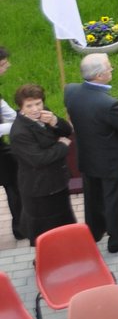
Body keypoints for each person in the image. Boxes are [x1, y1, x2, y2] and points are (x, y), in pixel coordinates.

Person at [64, 54, 118, 251]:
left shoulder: (71, 91)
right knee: (113, 200)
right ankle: (117, 239)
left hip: (87, 157)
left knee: (93, 197)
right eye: (109, 68)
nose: (111, 69)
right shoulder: (109, 105)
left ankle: (94, 231)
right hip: (110, 161)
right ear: (99, 75)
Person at [10, 83, 76, 242]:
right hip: (40, 188)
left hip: (57, 182)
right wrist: (62, 145)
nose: (35, 109)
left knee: (63, 222)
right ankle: (44, 259)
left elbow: (66, 131)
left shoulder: (44, 114)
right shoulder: (20, 132)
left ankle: (64, 251)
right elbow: (38, 159)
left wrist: (55, 120)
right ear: (21, 107)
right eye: (29, 105)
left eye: (38, 103)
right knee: (45, 230)